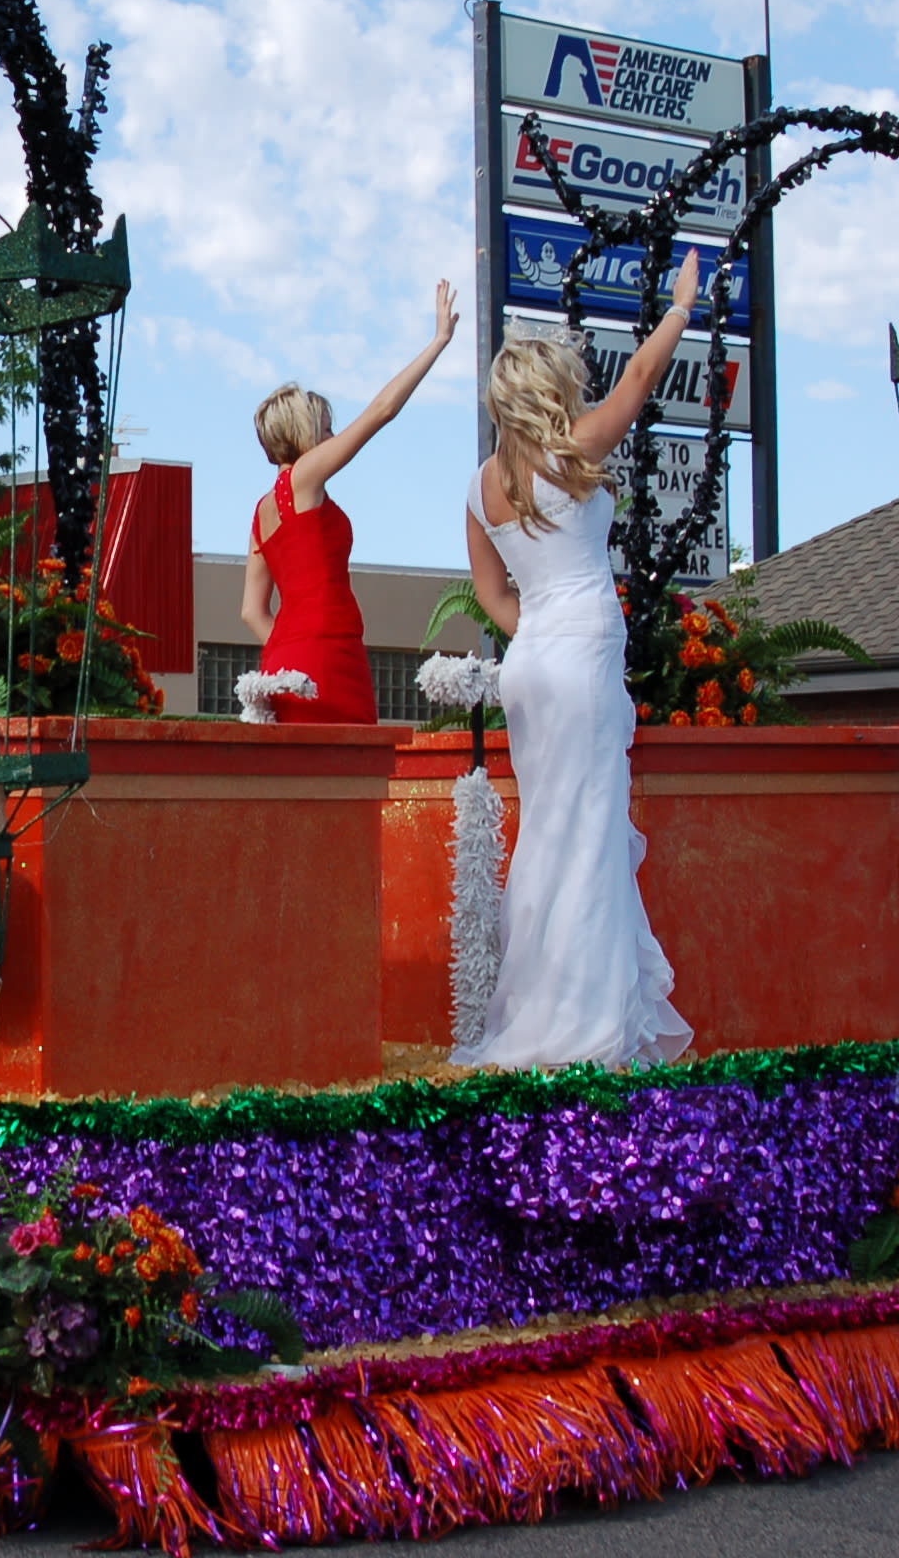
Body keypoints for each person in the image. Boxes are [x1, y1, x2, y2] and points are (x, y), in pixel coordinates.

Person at [454, 249, 704, 1071]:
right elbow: (639, 374)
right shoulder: (571, 451)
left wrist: (542, 627)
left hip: (532, 664)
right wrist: (679, 305)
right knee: (587, 835)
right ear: (548, 391)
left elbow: (492, 593)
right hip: (585, 658)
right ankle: (586, 1025)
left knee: (548, 836)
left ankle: (540, 1007)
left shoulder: (482, 484)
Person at [243, 282, 463, 723]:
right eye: (325, 428)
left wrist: (290, 652)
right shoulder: (304, 478)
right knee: (353, 778)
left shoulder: (262, 511)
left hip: (288, 654)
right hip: (329, 649)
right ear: (303, 434)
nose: (331, 438)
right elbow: (381, 411)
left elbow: (251, 611)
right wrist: (437, 342)